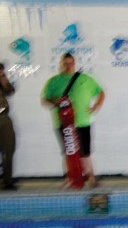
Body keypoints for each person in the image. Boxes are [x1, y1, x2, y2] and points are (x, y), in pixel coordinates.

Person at [41, 52, 105, 189]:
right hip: (63, 124)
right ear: (61, 64)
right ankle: (70, 178)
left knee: (85, 152)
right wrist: (54, 101)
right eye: (66, 63)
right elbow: (45, 100)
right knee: (68, 152)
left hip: (83, 122)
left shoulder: (85, 79)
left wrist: (97, 105)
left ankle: (91, 178)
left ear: (75, 64)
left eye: (71, 63)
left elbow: (101, 92)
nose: (68, 66)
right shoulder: (54, 81)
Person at [0, 51, 17, 190]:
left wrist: (2, 77)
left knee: (9, 147)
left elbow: (10, 91)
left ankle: (7, 181)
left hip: (4, 116)